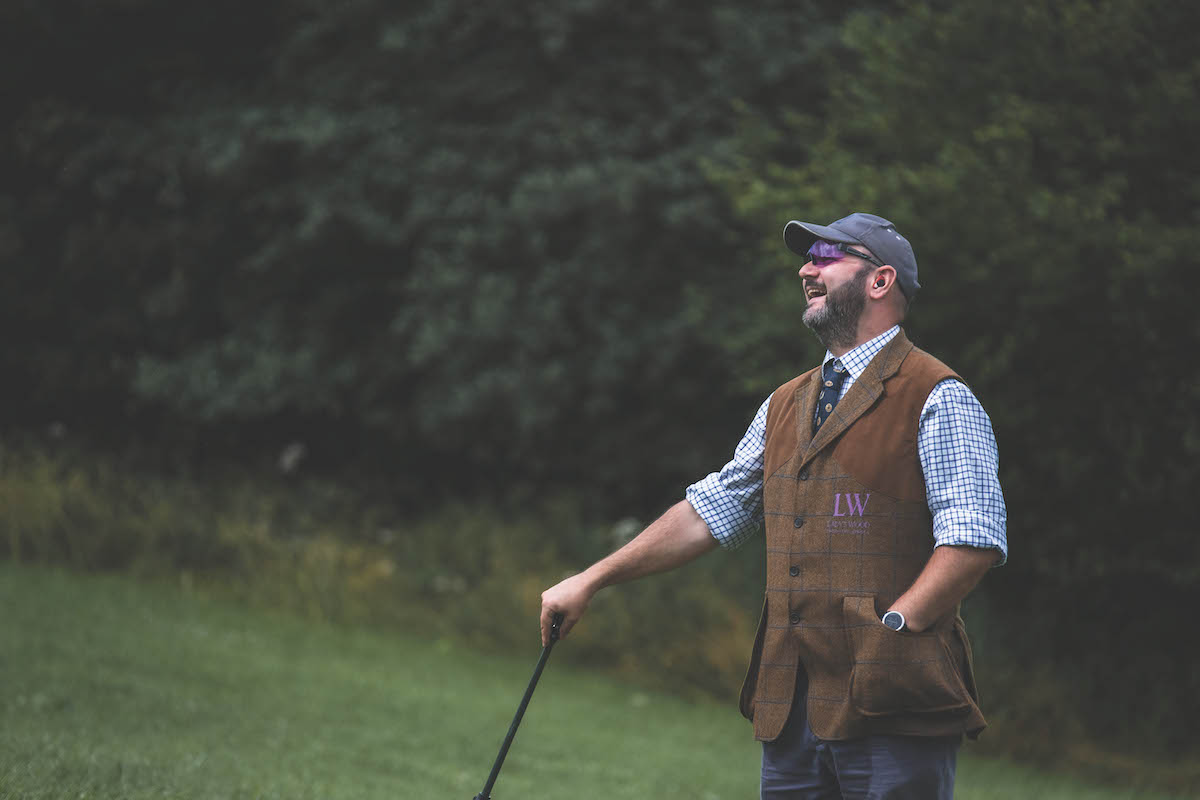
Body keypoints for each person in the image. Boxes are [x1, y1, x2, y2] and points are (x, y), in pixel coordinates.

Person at [539, 212, 1007, 800]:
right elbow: (714, 509)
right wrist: (592, 578)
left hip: (895, 703)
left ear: (880, 281)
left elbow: (973, 538)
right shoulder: (786, 402)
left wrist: (894, 628)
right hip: (791, 705)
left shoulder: (938, 396)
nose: (806, 269)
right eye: (806, 259)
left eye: (827, 257)